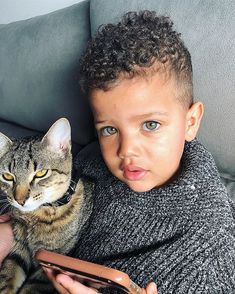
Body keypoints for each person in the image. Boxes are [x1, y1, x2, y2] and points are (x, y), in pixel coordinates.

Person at [0, 10, 234, 294]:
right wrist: (13, 232)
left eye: (150, 124)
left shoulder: (210, 255)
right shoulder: (93, 159)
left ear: (191, 122)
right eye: (109, 129)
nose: (126, 151)